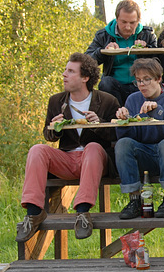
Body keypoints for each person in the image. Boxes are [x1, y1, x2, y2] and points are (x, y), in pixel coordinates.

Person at [17, 53, 120, 241]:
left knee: (94, 147)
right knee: (37, 150)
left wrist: (100, 124)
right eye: (65, 70)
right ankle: (33, 213)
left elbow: (117, 136)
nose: (64, 74)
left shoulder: (107, 100)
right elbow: (48, 135)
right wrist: (54, 128)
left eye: (70, 71)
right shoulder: (56, 101)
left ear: (85, 77)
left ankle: (82, 213)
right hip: (67, 158)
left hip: (96, 160)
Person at [114, 58, 164, 219]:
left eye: (147, 79)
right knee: (123, 144)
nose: (142, 85)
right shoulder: (133, 99)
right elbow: (129, 137)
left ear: (159, 78)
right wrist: (123, 122)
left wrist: (157, 112)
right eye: (138, 81)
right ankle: (134, 199)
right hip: (145, 153)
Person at [86, 0, 157, 105]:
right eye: (123, 22)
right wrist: (103, 52)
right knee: (105, 83)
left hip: (142, 84)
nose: (128, 27)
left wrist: (146, 50)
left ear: (138, 20)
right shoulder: (103, 35)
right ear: (117, 19)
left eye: (132, 23)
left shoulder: (148, 34)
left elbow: (159, 63)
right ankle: (115, 116)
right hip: (115, 86)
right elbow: (86, 61)